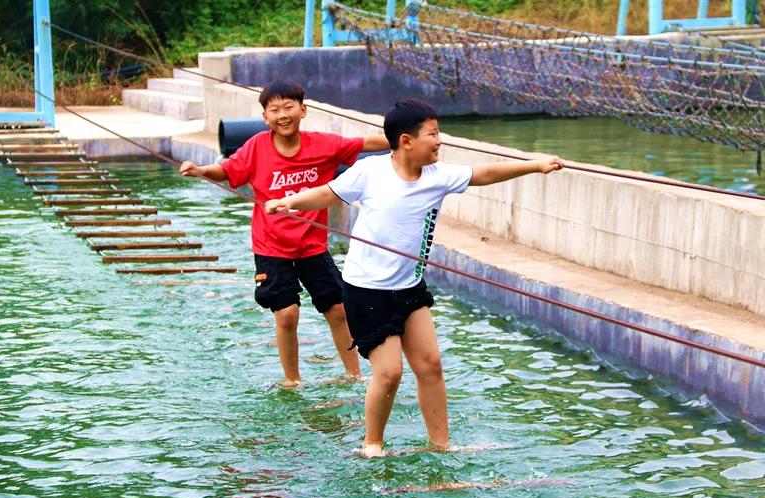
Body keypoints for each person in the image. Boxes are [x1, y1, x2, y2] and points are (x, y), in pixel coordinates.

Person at [264, 98, 563, 456]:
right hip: (367, 290)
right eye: (433, 134)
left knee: (431, 365)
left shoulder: (438, 178)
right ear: (407, 140)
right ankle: (372, 444)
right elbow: (328, 194)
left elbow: (483, 174)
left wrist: (535, 165)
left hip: (409, 288)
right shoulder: (371, 172)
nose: (440, 141)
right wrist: (291, 201)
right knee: (389, 373)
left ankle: (441, 444)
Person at [179, 80, 390, 387]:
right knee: (287, 313)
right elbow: (226, 170)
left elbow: (362, 144)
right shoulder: (255, 147)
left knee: (338, 310)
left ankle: (354, 374)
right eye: (274, 109)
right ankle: (292, 380)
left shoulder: (323, 145)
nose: (282, 114)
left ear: (303, 110)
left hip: (312, 246)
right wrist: (200, 170)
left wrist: (400, 138)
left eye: (289, 107)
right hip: (271, 247)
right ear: (265, 117)